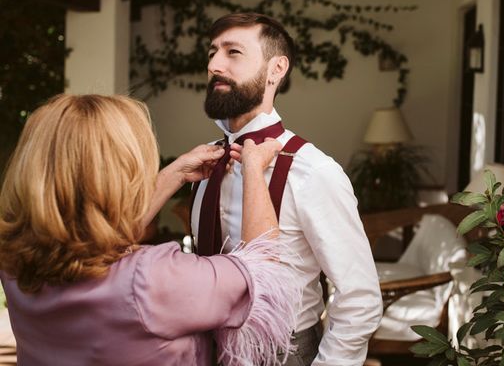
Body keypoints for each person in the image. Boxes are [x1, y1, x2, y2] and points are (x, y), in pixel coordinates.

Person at [0, 94, 301, 366]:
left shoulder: (11, 257)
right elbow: (263, 275)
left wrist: (175, 173)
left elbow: (100, 231)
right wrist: (254, 170)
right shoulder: (149, 279)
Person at [190, 13, 383, 365]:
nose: (215, 65)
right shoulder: (203, 164)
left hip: (284, 353)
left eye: (233, 53)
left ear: (276, 69)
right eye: (212, 53)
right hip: (203, 347)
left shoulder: (315, 171)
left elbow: (359, 296)